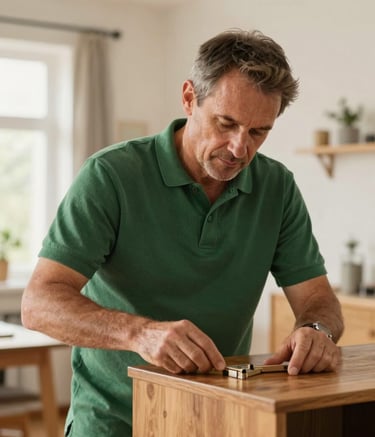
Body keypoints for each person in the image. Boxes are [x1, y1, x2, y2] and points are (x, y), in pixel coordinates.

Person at [21, 29, 344, 437]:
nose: (239, 148)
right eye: (225, 123)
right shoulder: (110, 176)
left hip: (219, 418)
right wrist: (140, 333)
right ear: (189, 98)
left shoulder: (277, 188)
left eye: (259, 132)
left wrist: (316, 331)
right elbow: (39, 303)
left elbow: (318, 299)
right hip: (113, 422)